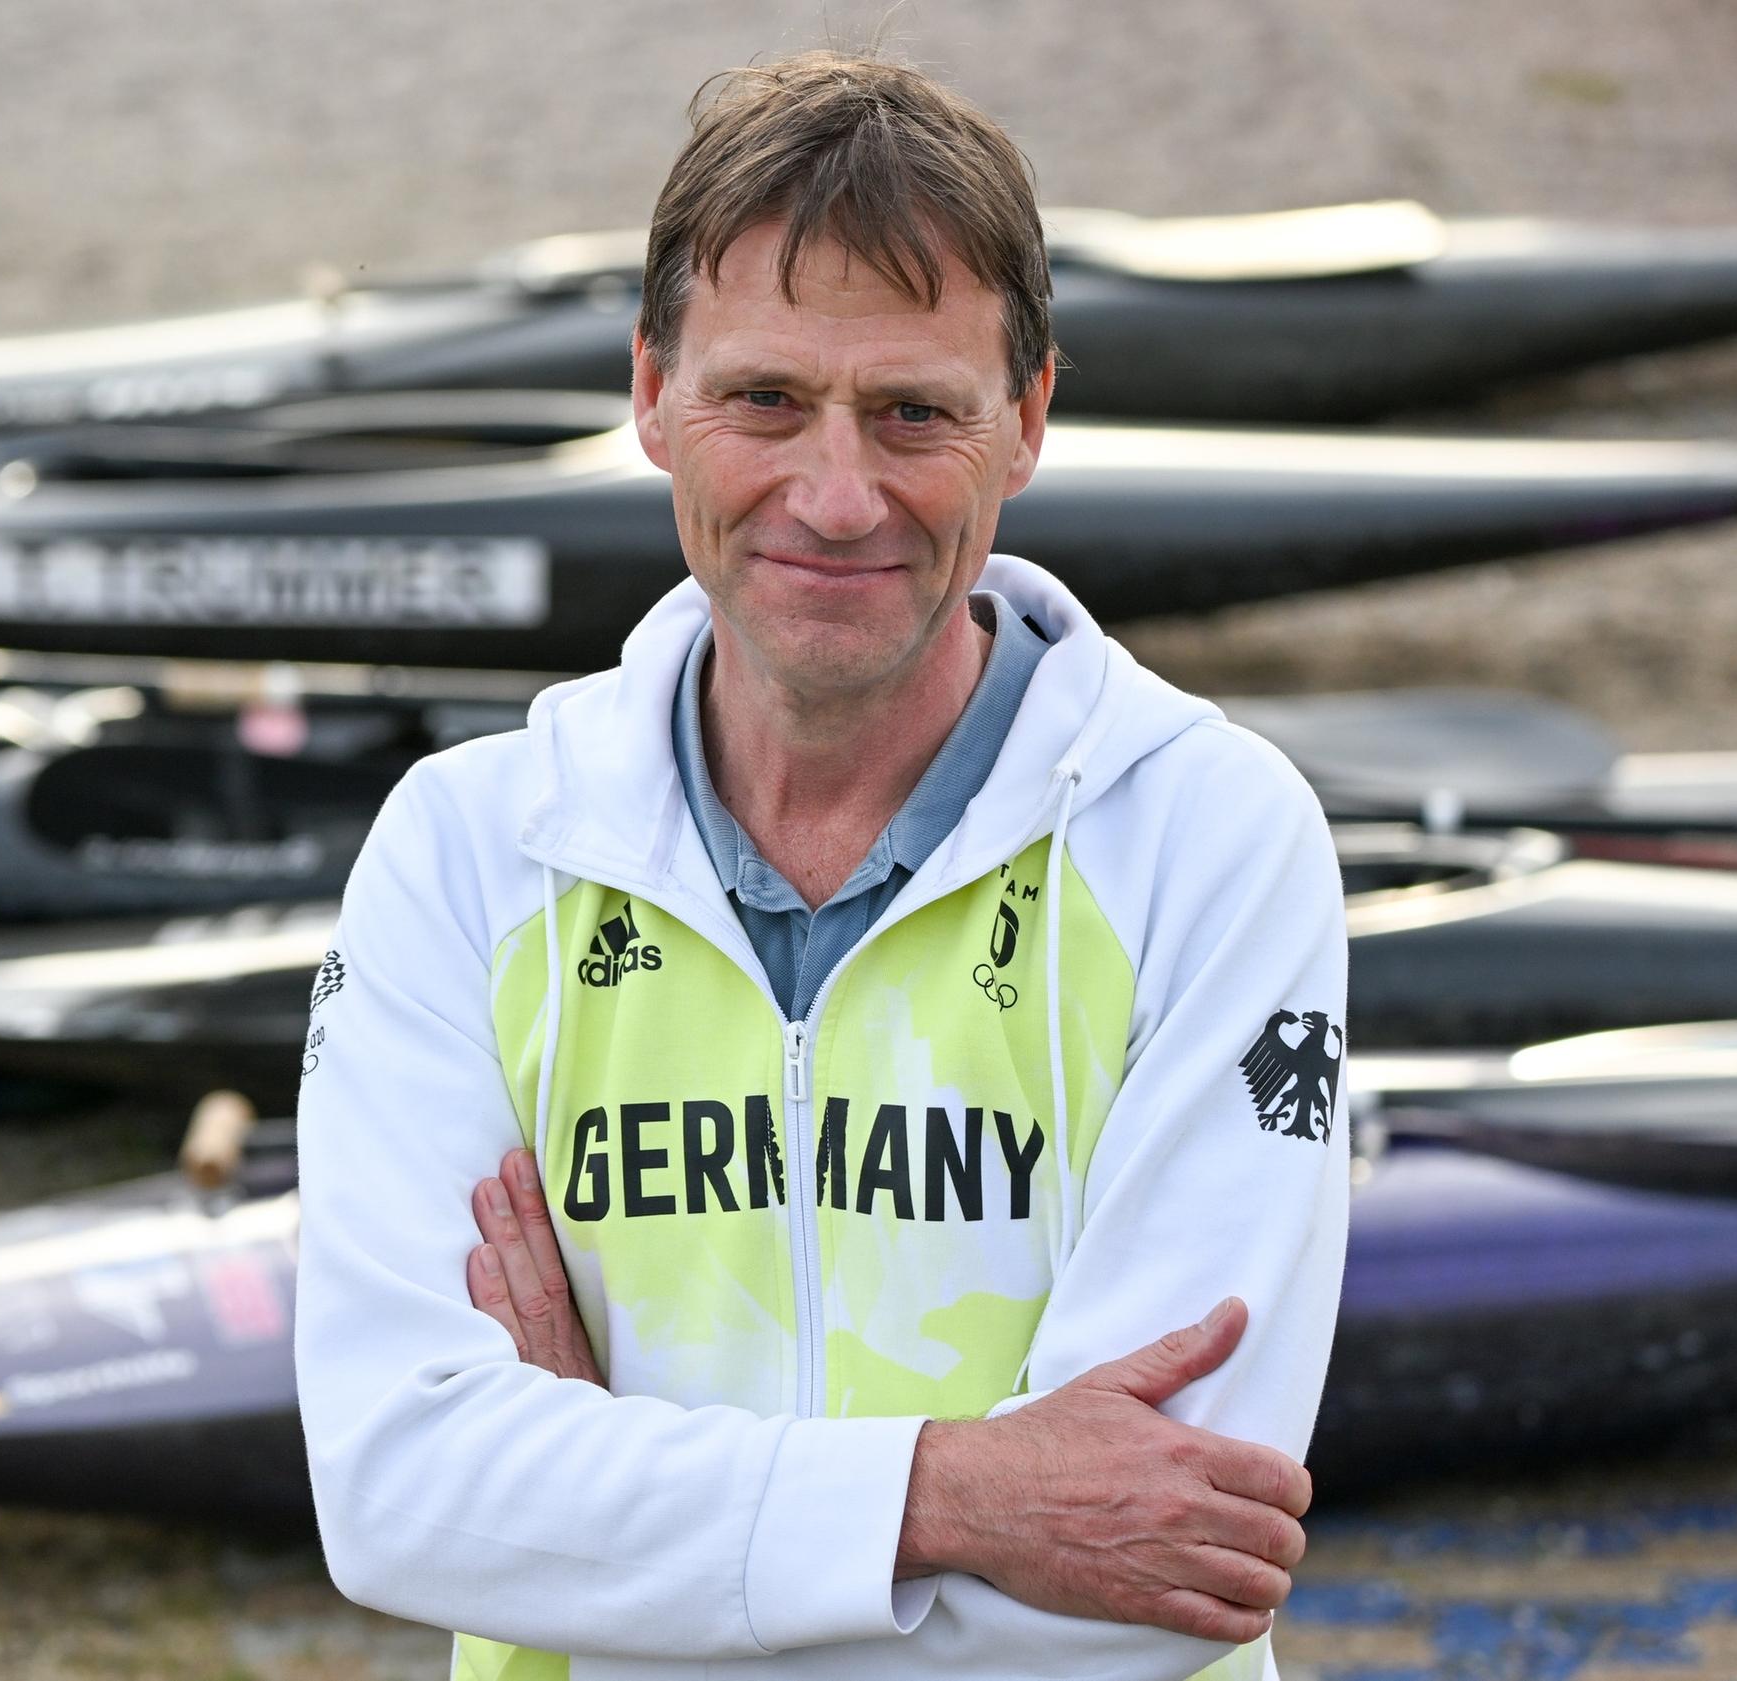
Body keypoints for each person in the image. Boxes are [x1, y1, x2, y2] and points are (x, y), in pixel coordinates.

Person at [294, 48, 1349, 1681]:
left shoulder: (1209, 842)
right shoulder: (464, 855)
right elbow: (393, 1496)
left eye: (915, 411)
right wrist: (965, 1492)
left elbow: (1144, 1584)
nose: (837, 494)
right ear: (652, 393)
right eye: (765, 400)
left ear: (1032, 419)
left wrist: (598, 1496)